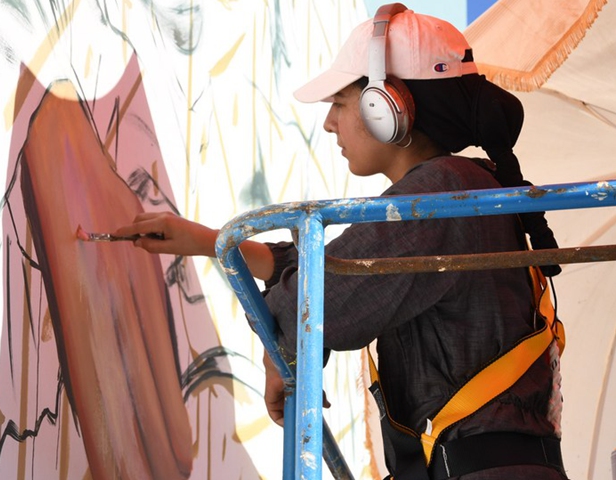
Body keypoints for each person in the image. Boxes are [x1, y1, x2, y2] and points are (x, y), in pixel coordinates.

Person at [115, 4, 566, 479]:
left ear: (386, 106)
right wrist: (210, 242)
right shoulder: (464, 189)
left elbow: (316, 303)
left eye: (340, 102)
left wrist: (280, 345)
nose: (330, 123)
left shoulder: (439, 196)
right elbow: (341, 271)